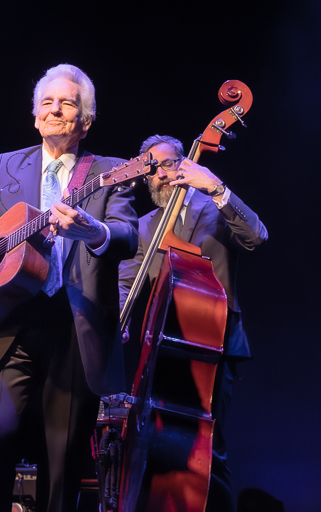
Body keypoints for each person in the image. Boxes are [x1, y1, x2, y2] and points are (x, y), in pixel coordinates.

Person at [0, 64, 139, 511]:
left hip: (75, 327)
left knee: (60, 461)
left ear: (86, 120)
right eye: (47, 102)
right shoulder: (7, 166)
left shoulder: (110, 171)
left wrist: (93, 231)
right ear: (35, 116)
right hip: (10, 324)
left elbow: (126, 234)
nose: (55, 109)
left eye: (68, 103)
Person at [118, 134, 267, 512]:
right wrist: (118, 319)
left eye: (168, 164)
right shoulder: (145, 226)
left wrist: (216, 187)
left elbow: (256, 236)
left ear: (186, 165)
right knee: (163, 451)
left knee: (208, 449)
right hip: (162, 350)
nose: (161, 175)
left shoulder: (214, 206)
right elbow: (126, 282)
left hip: (212, 345)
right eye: (152, 170)